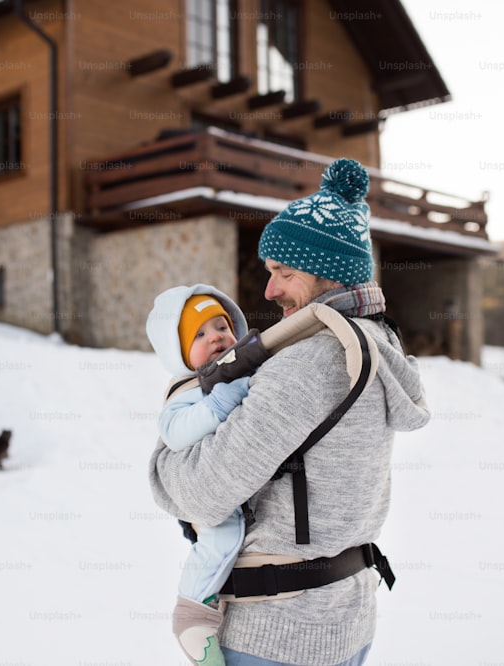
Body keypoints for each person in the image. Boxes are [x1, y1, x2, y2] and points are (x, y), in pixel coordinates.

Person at [148, 158, 431, 666]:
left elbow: (203, 492)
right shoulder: (376, 343)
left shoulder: (308, 363)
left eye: (285, 273)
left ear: (326, 272)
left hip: (276, 635)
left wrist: (164, 460)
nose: (269, 291)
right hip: (344, 621)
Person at [146, 284, 253, 666]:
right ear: (179, 351)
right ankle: (192, 611)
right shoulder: (186, 389)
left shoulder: (238, 370)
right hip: (204, 491)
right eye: (200, 334)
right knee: (220, 536)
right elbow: (175, 432)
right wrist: (220, 403)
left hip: (233, 483)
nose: (216, 337)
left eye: (221, 326)